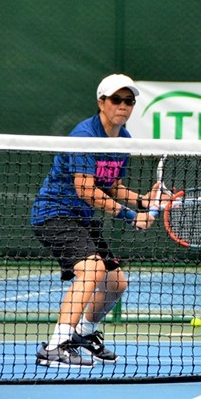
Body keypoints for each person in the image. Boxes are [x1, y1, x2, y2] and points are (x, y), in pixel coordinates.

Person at [31, 74, 166, 367]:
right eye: (116, 99)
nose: (123, 106)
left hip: (82, 219)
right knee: (92, 270)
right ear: (101, 102)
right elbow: (86, 190)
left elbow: (111, 185)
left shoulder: (124, 139)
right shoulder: (84, 136)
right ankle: (55, 346)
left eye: (128, 101)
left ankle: (83, 335)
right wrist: (131, 216)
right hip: (54, 214)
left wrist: (144, 201)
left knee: (115, 284)